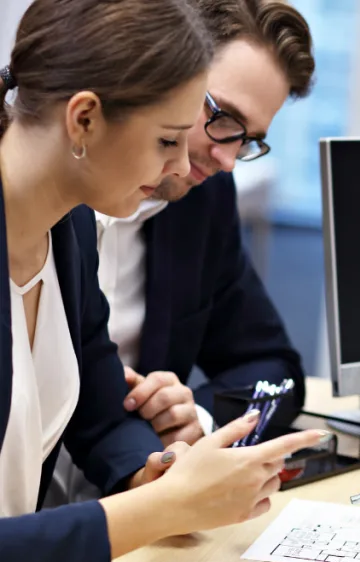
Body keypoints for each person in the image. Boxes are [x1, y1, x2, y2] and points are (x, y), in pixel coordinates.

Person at [0, 0, 325, 562]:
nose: (203, 164)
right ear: (85, 120)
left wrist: (158, 473)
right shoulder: (77, 212)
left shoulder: (64, 229)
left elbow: (102, 408)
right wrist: (160, 508)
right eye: (169, 138)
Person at [47, 0, 314, 505]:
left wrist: (199, 421)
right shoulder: (42, 206)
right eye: (224, 119)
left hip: (121, 505)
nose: (229, 159)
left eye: (250, 140)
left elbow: (273, 366)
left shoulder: (201, 201)